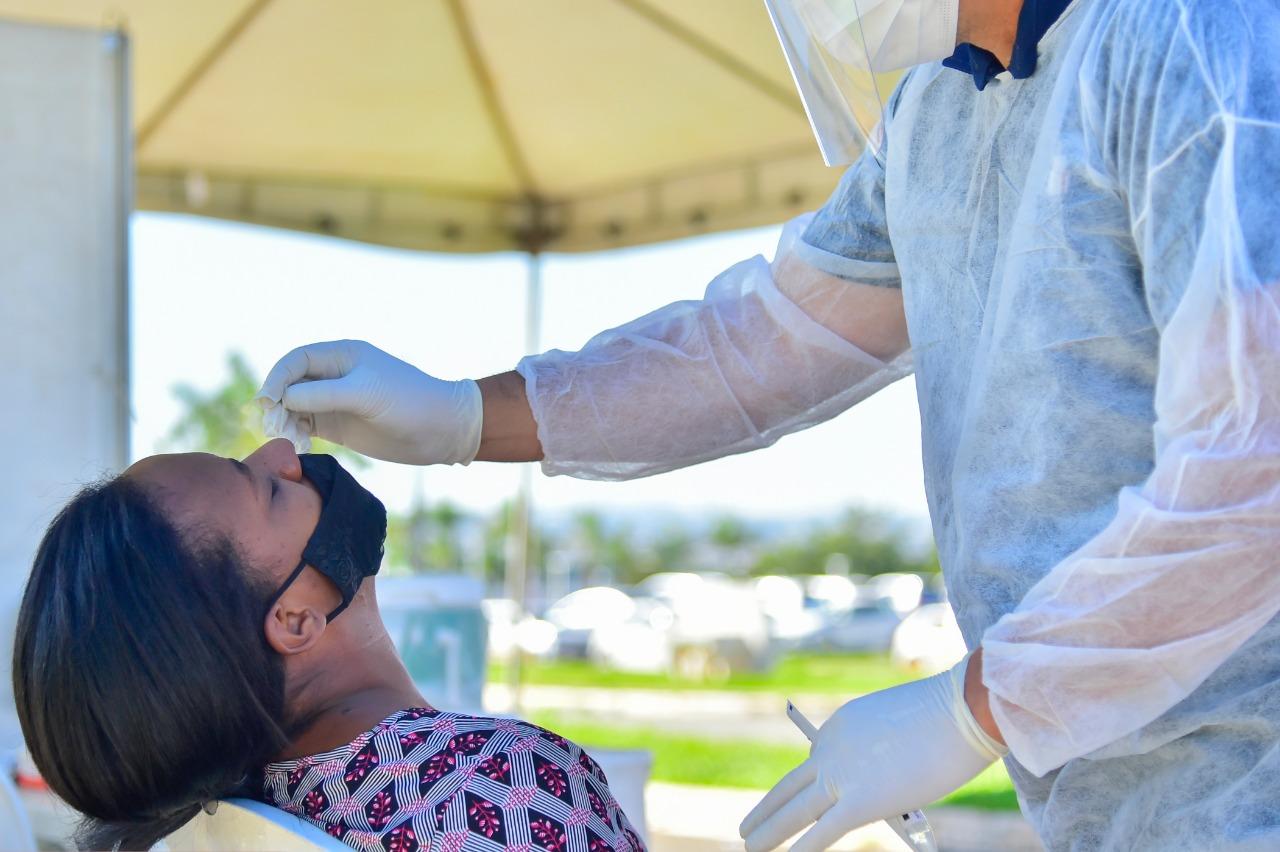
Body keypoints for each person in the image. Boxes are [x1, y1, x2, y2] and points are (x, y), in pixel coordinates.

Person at [256, 0, 1280, 848]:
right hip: (1106, 797)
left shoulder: (1202, 42)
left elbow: (1256, 476)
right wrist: (470, 414)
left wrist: (978, 706)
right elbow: (762, 344)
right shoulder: (940, 112)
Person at [12, 439, 645, 852]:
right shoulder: (499, 786)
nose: (283, 452)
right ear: (293, 619)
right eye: (268, 489)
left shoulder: (227, 814)